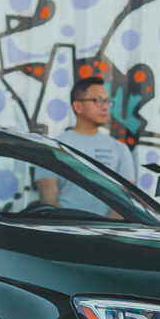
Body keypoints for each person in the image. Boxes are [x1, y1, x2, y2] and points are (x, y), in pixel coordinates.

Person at [35, 76, 135, 215]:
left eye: (107, 101)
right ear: (78, 106)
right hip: (65, 227)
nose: (105, 107)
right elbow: (49, 202)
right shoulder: (53, 147)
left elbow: (124, 202)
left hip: (109, 229)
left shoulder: (120, 149)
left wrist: (106, 228)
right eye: (98, 100)